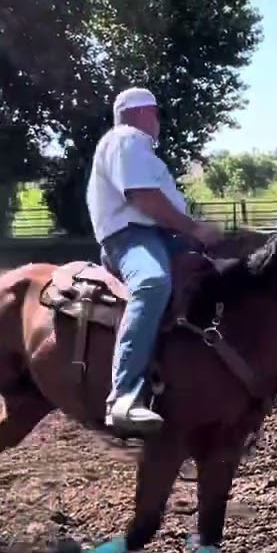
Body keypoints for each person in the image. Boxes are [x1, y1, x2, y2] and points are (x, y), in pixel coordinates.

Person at [85, 86, 224, 435]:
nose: (159, 121)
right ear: (143, 112)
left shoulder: (137, 148)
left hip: (163, 236)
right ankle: (123, 398)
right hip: (131, 237)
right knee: (152, 283)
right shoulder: (126, 139)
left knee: (223, 274)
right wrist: (193, 228)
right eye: (157, 113)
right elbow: (143, 197)